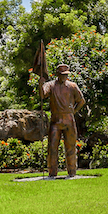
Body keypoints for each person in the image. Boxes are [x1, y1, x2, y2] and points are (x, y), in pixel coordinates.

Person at [35, 43, 88, 178]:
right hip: (55, 119)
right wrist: (40, 84)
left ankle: (72, 172)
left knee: (70, 146)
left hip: (69, 119)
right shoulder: (50, 85)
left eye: (66, 74)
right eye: (62, 74)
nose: (64, 76)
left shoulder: (72, 86)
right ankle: (52, 173)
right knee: (52, 147)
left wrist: (74, 112)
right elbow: (42, 95)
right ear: (57, 74)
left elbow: (81, 101)